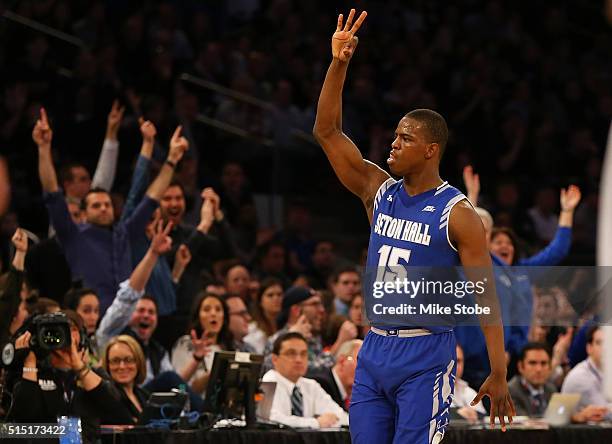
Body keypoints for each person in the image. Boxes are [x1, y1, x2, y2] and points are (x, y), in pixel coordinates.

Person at [312, 9, 514, 443]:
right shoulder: (377, 190)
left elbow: (486, 296)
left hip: (426, 351)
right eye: (395, 135)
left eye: (405, 138)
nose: (394, 144)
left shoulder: (455, 212)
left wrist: (498, 371)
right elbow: (326, 131)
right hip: (376, 346)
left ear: (430, 150)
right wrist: (339, 63)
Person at [33, 108, 189, 312]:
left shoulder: (124, 232)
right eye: (96, 206)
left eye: (107, 204)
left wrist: (172, 160)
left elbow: (151, 199)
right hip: (89, 318)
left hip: (127, 320)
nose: (104, 208)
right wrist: (44, 149)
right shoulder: (73, 234)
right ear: (84, 213)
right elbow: (52, 192)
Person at [9, 310, 132, 441]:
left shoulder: (92, 374)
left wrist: (80, 368)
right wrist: (30, 362)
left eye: (71, 329)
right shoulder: (33, 373)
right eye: (55, 330)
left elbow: (117, 410)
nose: (63, 334)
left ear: (82, 337)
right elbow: (23, 421)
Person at [262, 332, 349, 428]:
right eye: (291, 354)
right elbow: (271, 419)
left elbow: (343, 417)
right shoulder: (268, 382)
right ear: (275, 359)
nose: (299, 360)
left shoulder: (311, 386)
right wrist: (316, 423)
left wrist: (328, 421)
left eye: (303, 354)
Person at [171, 293, 234, 396]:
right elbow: (180, 387)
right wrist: (211, 374)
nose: (213, 314)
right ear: (198, 316)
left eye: (218, 309)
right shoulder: (186, 344)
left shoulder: (229, 348)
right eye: (206, 309)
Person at [561, 326, 611, 422]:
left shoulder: (606, 371)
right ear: (589, 348)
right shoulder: (580, 377)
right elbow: (605, 414)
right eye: (599, 343)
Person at [101, 335, 149, 424]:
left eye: (128, 360)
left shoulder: (145, 395)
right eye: (115, 361)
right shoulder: (106, 396)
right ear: (107, 365)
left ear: (139, 362)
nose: (122, 366)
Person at [311, 339, 362, 411]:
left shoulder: (352, 395)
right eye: (361, 363)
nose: (366, 371)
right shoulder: (322, 384)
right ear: (342, 361)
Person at [507, 343, 557, 417]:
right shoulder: (510, 391)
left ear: (550, 367)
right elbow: (522, 422)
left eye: (543, 363)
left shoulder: (551, 389)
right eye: (532, 363)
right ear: (520, 367)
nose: (539, 369)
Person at [244, 277, 283, 353]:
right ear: (260, 301)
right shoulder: (253, 329)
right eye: (270, 295)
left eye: (279, 294)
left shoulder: (285, 325)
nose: (276, 298)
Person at [451, 344, 486, 420]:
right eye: (452, 361)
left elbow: (484, 420)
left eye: (459, 361)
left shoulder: (470, 393)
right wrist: (457, 414)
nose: (456, 366)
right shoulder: (431, 391)